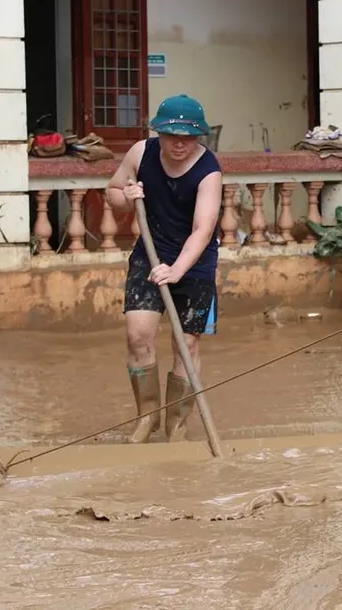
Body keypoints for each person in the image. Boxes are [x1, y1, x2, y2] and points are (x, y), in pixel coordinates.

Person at [106, 95, 223, 444]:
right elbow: (112, 191)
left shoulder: (209, 171)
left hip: (195, 263)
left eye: (187, 137)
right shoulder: (140, 153)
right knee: (138, 335)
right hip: (149, 254)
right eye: (172, 135)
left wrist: (176, 271)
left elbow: (203, 230)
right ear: (160, 131)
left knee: (185, 343)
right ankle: (148, 418)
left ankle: (177, 426)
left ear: (198, 136)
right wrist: (127, 197)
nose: (179, 143)